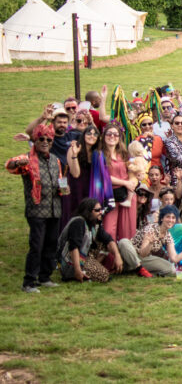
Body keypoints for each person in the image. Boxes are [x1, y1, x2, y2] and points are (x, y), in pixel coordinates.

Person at [6, 124, 68, 292]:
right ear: (35, 140)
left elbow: (60, 180)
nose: (45, 142)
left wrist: (63, 189)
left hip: (55, 209)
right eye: (41, 139)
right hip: (37, 210)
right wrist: (18, 162)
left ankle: (45, 277)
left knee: (51, 244)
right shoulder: (27, 159)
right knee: (37, 246)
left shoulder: (55, 160)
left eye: (49, 139)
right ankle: (29, 281)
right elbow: (10, 166)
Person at [57, 198, 138, 283]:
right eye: (97, 210)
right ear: (88, 211)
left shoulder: (94, 223)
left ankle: (91, 268)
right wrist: (77, 270)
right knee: (104, 276)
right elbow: (73, 247)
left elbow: (108, 239)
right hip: (70, 261)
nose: (101, 212)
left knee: (105, 244)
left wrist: (117, 256)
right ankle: (76, 274)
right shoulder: (78, 222)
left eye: (101, 209)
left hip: (84, 256)